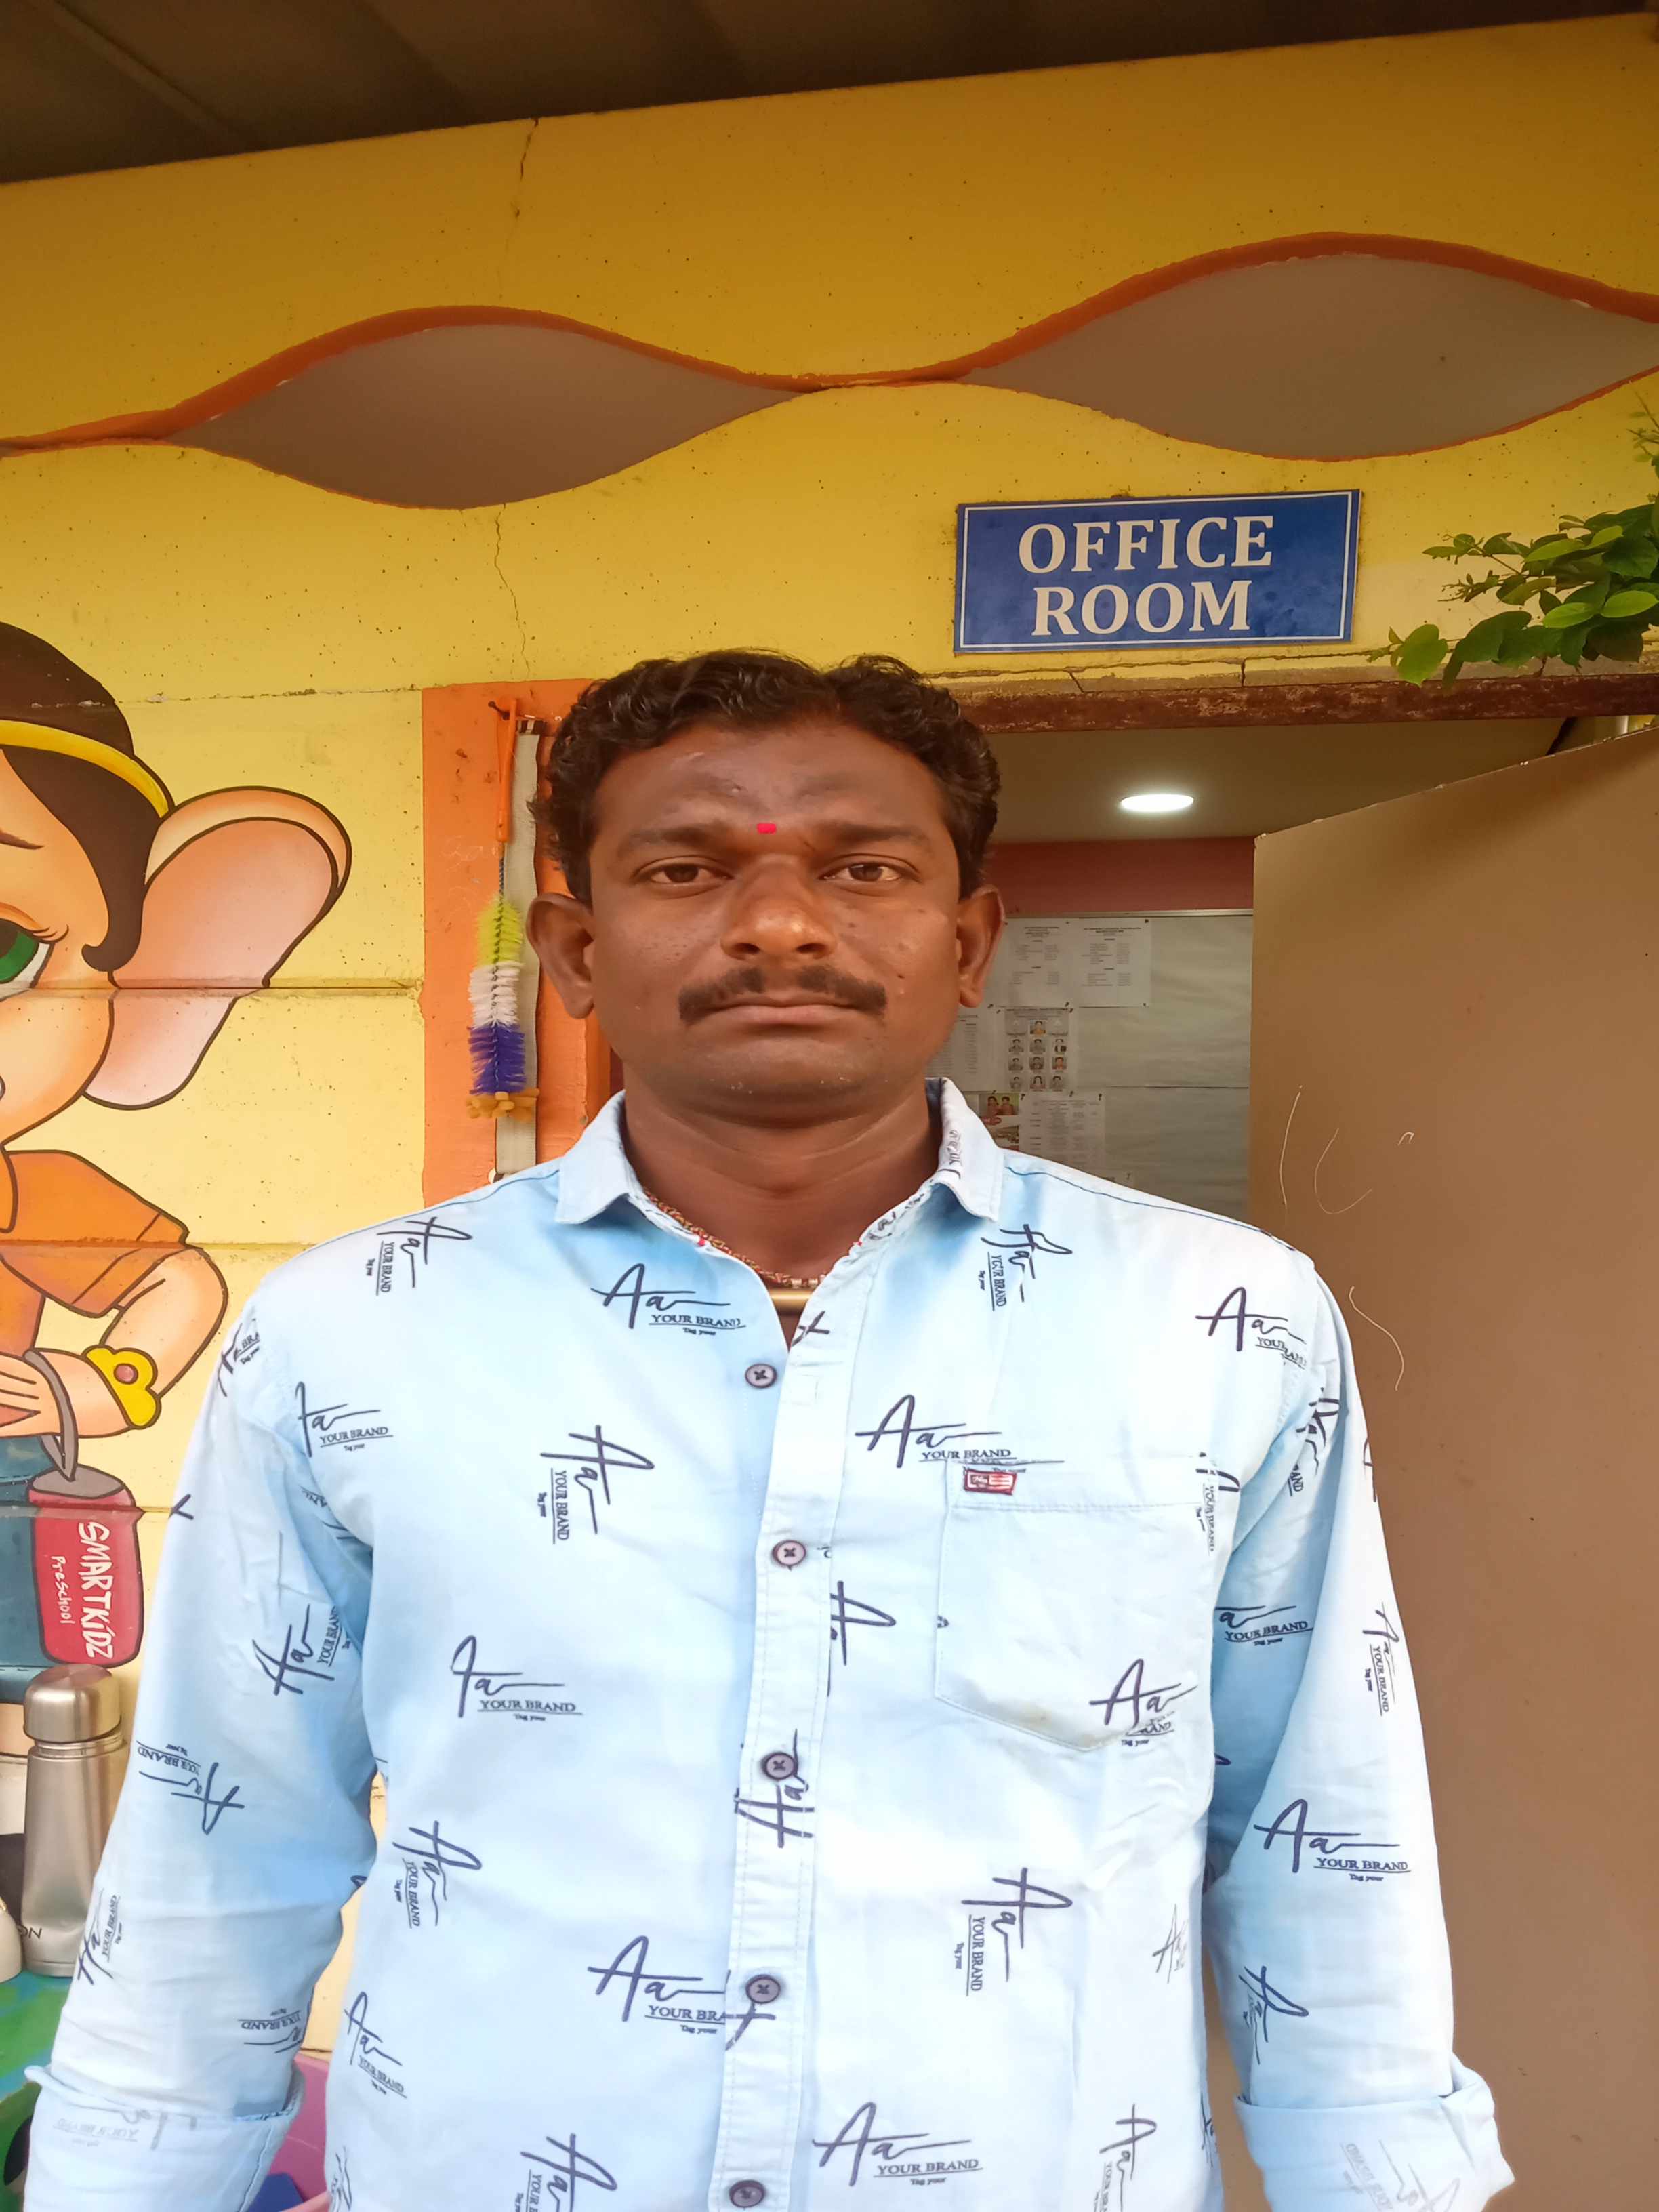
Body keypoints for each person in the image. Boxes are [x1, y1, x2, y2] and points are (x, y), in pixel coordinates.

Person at [24, 652, 1511, 2212]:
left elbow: (1315, 1821)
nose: (783, 923)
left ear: (970, 943)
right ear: (576, 951)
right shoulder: (353, 1331)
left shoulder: (1217, 1318)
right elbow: (225, 1837)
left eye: (866, 869)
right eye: (687, 869)